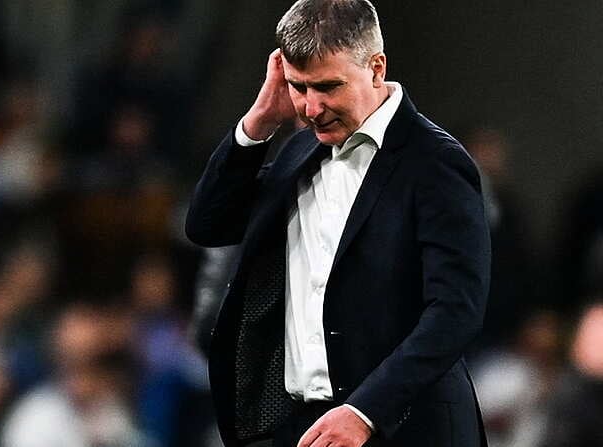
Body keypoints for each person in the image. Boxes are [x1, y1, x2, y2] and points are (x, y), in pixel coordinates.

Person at [185, 1, 490, 446]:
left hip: (406, 428)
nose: (311, 108)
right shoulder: (297, 151)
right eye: (298, 87)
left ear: (376, 67)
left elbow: (455, 312)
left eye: (328, 86)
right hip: (306, 427)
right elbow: (208, 224)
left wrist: (366, 410)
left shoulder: (435, 163)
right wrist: (259, 122)